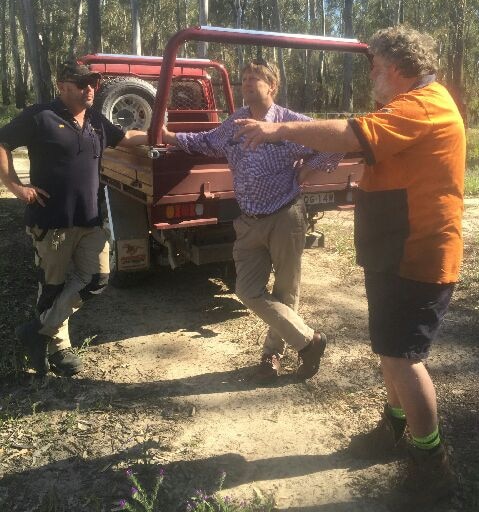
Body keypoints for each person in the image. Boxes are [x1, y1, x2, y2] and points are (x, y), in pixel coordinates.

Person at [234, 26, 465, 509]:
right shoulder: (406, 106)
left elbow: (349, 132)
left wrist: (279, 129)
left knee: (405, 357)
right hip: (392, 252)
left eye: (376, 66)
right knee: (390, 352)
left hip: (416, 254)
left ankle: (431, 462)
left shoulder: (425, 105)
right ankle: (393, 428)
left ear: (398, 65)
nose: (373, 76)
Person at [161, 60, 342, 381]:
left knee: (286, 290)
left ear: (272, 86)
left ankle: (271, 356)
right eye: (243, 79)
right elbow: (204, 141)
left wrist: (310, 167)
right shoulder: (235, 122)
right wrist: (169, 136)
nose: (245, 83)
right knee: (247, 290)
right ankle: (308, 342)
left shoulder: (291, 123)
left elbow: (335, 143)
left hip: (285, 216)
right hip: (249, 221)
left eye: (254, 78)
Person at [0, 60, 149, 377]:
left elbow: (125, 138)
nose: (90, 88)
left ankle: (36, 331)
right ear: (63, 87)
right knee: (52, 286)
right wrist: (14, 185)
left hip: (91, 219)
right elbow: (2, 142)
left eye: (92, 83)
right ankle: (57, 349)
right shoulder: (40, 116)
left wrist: (158, 134)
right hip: (51, 220)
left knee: (97, 279)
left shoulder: (95, 119)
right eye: (83, 84)